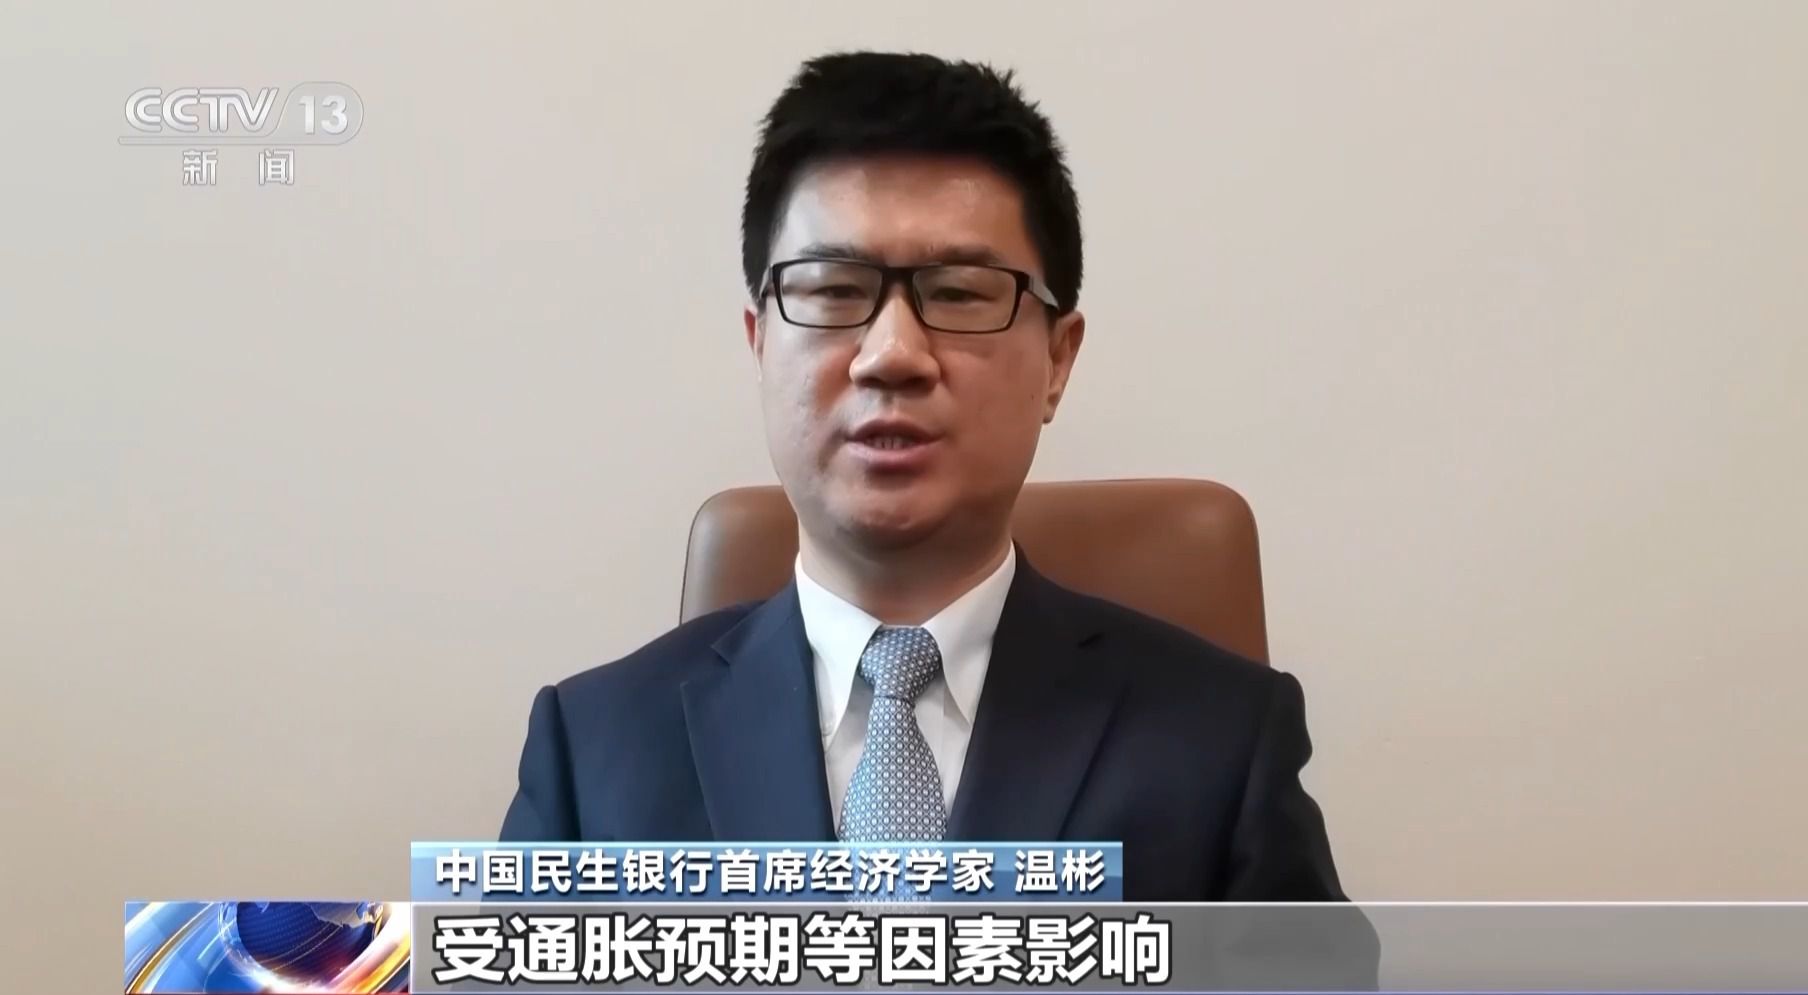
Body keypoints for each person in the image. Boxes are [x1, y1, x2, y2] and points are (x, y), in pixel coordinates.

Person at [500, 51, 1359, 911]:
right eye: (834, 291)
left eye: (959, 294)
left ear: (1058, 360)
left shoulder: (1224, 741)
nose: (892, 354)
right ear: (760, 343)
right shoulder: (591, 753)